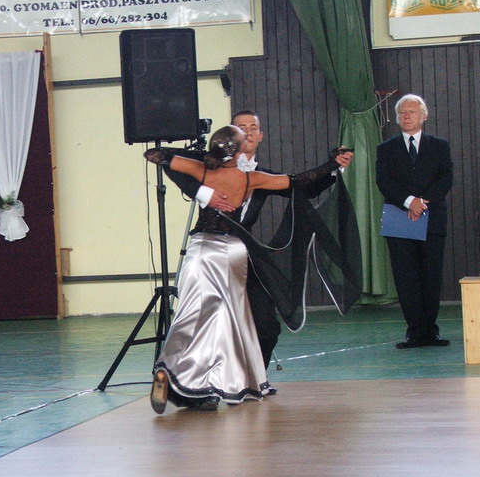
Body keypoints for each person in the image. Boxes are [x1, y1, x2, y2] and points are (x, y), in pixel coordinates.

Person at [144, 125, 348, 413]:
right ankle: (215, 384)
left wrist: (204, 167)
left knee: (189, 314)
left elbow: (155, 154)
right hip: (232, 252)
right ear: (239, 152)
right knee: (224, 320)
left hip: (200, 250)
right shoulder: (250, 179)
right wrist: (330, 164)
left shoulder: (201, 169)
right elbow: (298, 180)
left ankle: (169, 367)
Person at [376, 94, 454, 348]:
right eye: (402, 112)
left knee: (431, 276)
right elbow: (383, 181)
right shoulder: (386, 148)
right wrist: (409, 202)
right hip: (399, 220)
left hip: (432, 219)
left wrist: (422, 203)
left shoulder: (439, 146)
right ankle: (415, 331)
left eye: (411, 112)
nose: (406, 116)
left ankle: (431, 331)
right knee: (406, 277)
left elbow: (446, 178)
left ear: (423, 116)